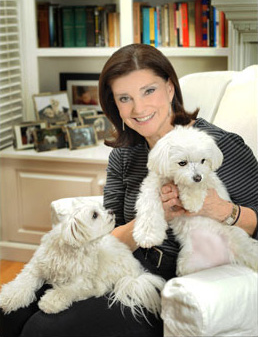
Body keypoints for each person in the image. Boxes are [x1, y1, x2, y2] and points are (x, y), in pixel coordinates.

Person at [1, 44, 258, 337]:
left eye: (149, 91)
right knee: (10, 313)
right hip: (121, 266)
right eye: (125, 98)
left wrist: (222, 209)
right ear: (116, 105)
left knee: (43, 330)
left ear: (170, 89)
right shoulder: (125, 154)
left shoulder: (219, 147)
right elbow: (107, 235)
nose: (139, 108)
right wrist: (152, 217)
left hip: (177, 285)